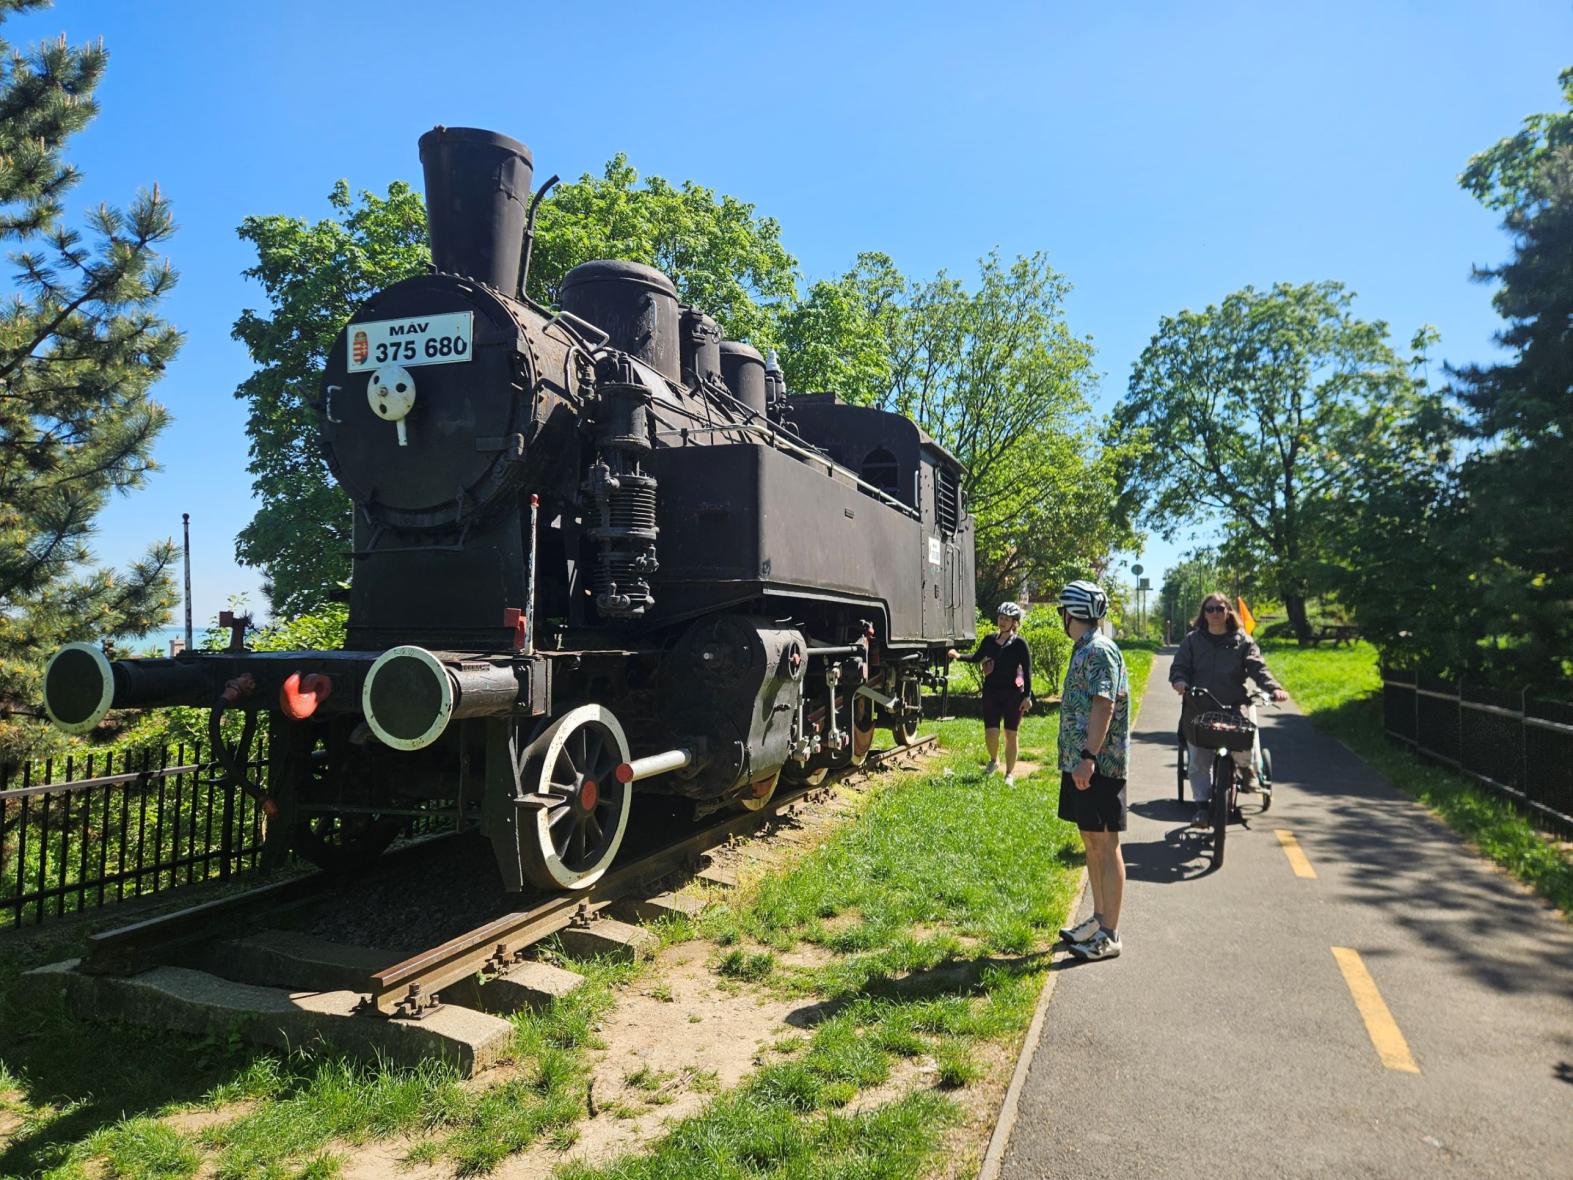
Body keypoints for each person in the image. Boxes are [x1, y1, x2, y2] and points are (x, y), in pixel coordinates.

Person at [1054, 579, 1130, 961]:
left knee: (1105, 843)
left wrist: (1088, 756)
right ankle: (1098, 919)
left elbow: (1104, 706)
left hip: (1098, 764)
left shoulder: (1099, 651)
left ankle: (1110, 934)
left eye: (1061, 613)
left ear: (1071, 614)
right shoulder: (1084, 649)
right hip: (1081, 763)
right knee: (1090, 841)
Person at [1169, 593, 1288, 829]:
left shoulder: (1242, 641)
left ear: (1228, 611)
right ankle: (1201, 807)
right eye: (1210, 609)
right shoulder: (1193, 641)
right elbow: (1179, 666)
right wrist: (1180, 681)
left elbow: (1258, 668)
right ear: (1203, 614)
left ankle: (1247, 769)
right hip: (1199, 706)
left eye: (1219, 609)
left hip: (1234, 705)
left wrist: (1274, 688)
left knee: (1244, 740)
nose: (1215, 613)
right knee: (1199, 761)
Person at [948, 602, 1034, 785]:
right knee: (991, 733)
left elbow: (1027, 670)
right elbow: (976, 657)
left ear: (1014, 622)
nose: (1002, 621)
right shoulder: (989, 640)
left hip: (1014, 695)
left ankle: (1009, 774)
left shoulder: (1020, 644)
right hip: (992, 692)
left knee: (1011, 734)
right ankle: (994, 761)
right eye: (1001, 618)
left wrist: (1027, 696)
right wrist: (958, 656)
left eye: (1007, 619)